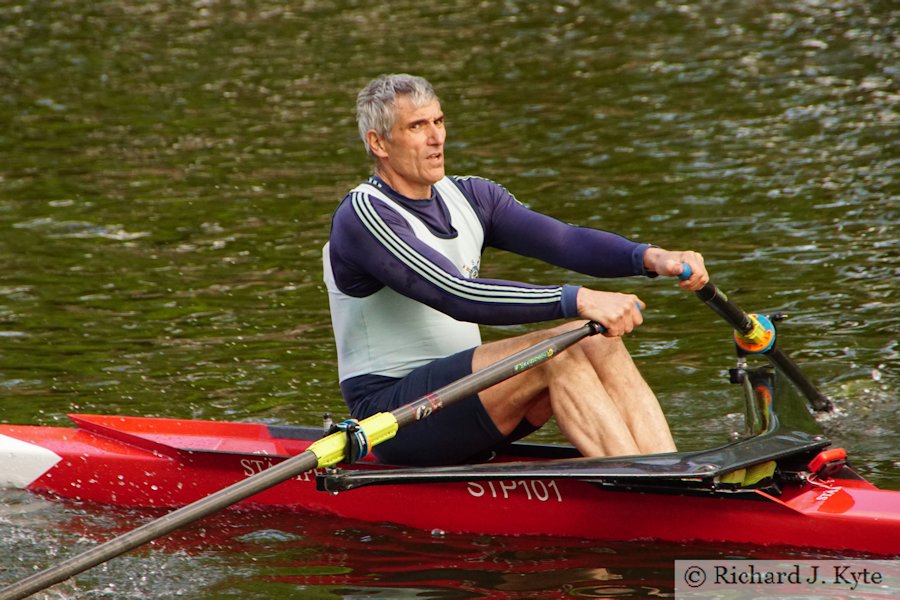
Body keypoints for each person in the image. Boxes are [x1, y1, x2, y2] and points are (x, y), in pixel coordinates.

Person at [323, 73, 709, 466]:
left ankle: (666, 469)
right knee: (556, 354)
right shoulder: (364, 214)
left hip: (467, 397)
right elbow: (457, 295)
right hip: (392, 417)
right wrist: (579, 299)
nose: (436, 137)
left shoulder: (473, 196)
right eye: (417, 126)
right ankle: (639, 484)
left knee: (596, 340)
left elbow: (566, 241)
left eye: (438, 121)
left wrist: (651, 257)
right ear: (378, 143)